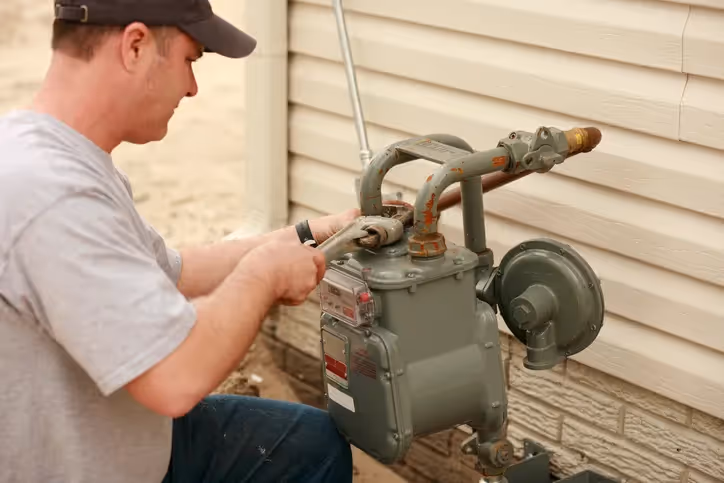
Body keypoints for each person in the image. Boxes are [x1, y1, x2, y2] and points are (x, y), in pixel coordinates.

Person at [0, 0, 358, 482]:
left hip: (127, 438)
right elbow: (174, 379)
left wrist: (308, 235)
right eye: (190, 59)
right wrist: (264, 276)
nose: (191, 87)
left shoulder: (52, 153)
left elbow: (176, 272)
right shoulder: (52, 193)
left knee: (311, 445)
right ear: (135, 45)